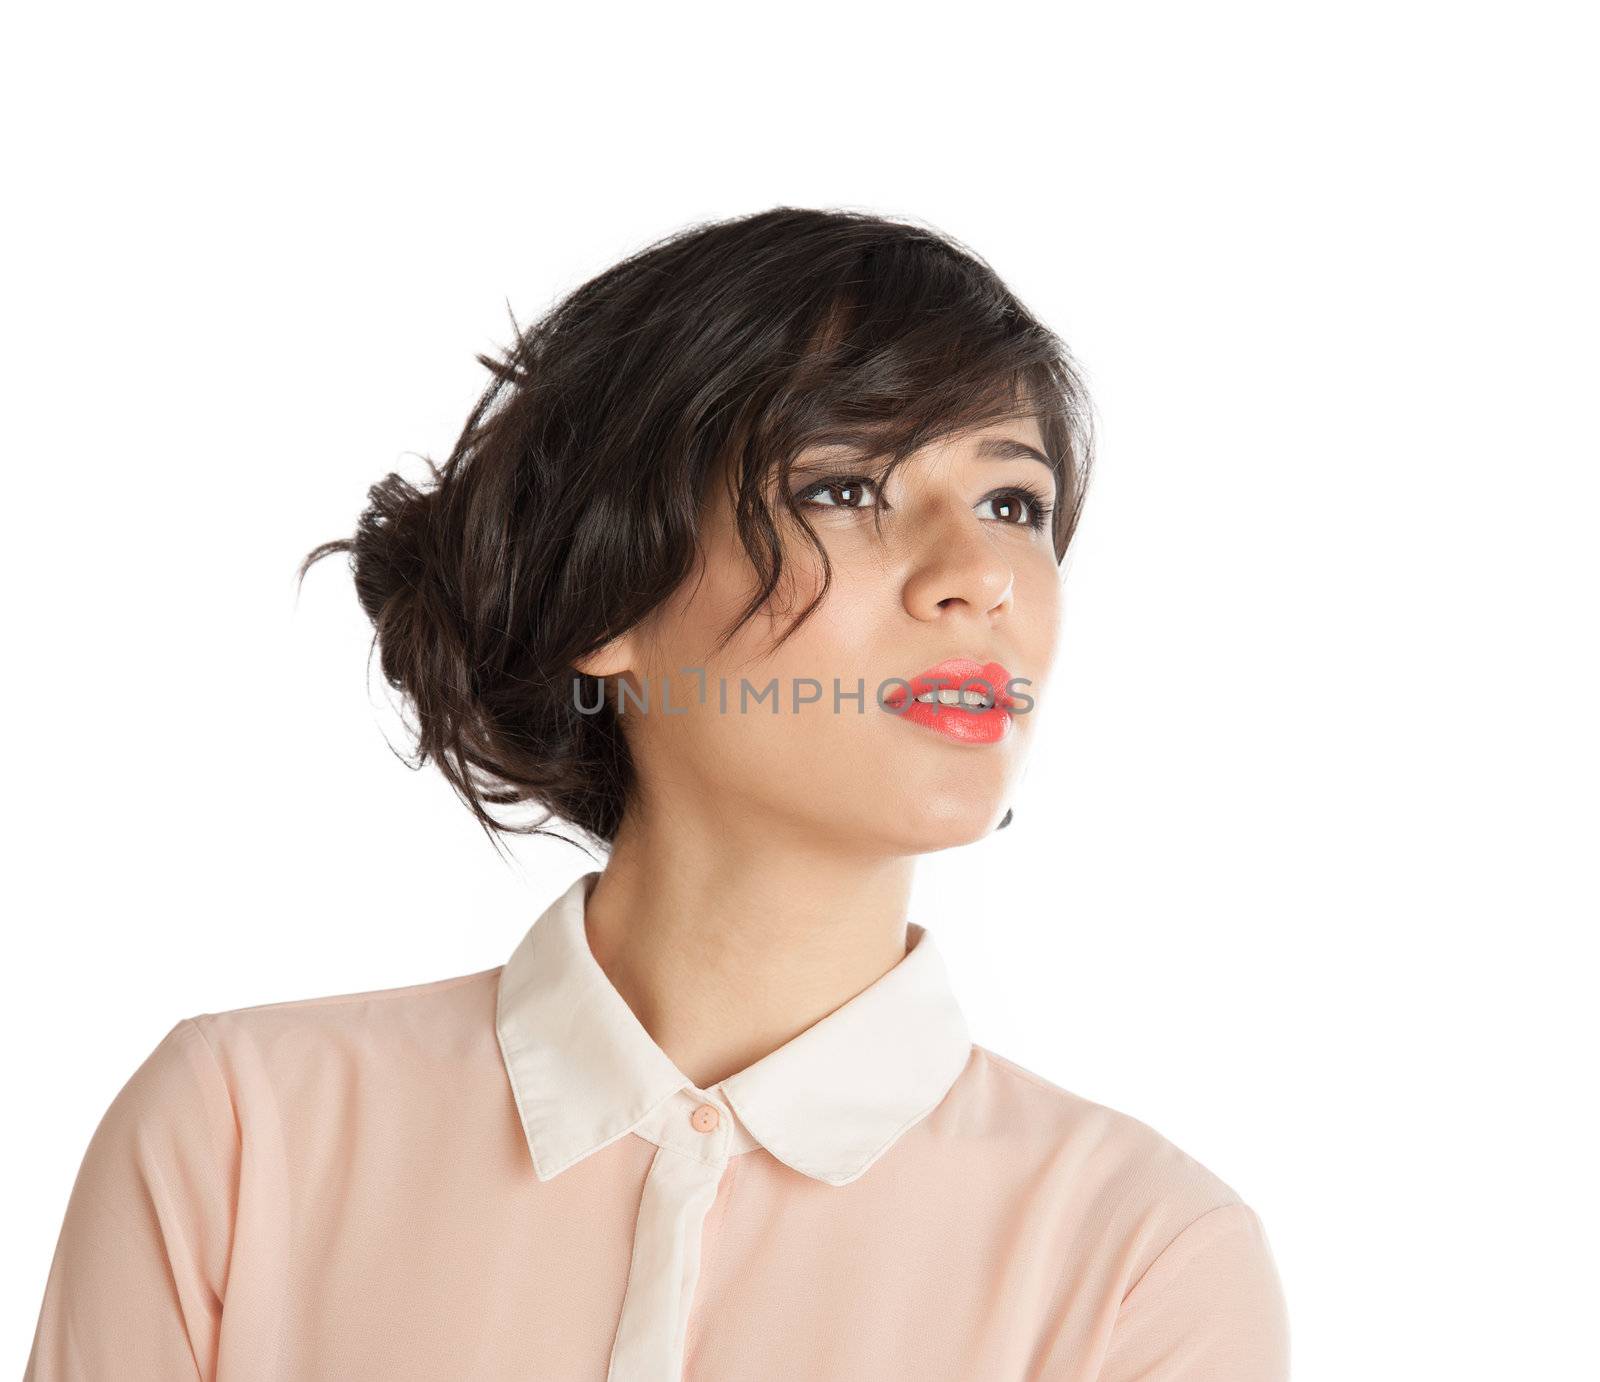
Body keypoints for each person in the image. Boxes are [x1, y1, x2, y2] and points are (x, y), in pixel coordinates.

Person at [24, 208, 1290, 1380]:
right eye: (843, 488)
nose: (979, 576)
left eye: (1014, 501)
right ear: (607, 592)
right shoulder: (242, 1136)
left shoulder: (1143, 1259)